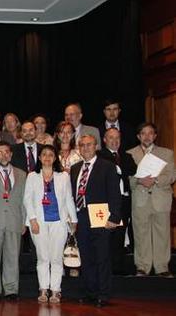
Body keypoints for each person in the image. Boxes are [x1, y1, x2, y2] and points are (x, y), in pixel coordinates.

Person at [71, 135, 122, 307]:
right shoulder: (75, 168)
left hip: (101, 217)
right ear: (79, 147)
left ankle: (103, 294)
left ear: (96, 146)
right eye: (82, 145)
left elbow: (115, 193)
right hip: (81, 217)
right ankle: (90, 292)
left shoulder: (107, 167)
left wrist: (114, 217)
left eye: (89, 145)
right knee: (85, 257)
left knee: (102, 257)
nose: (86, 148)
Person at [24, 145, 77, 303]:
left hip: (59, 222)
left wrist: (73, 220)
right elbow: (27, 199)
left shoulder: (63, 177)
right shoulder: (32, 176)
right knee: (42, 258)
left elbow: (69, 199)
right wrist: (32, 220)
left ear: (55, 158)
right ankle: (43, 289)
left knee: (55, 258)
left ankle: (55, 290)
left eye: (50, 155)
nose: (47, 157)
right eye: (44, 155)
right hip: (38, 222)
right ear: (39, 158)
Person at [127, 123, 175, 278]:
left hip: (160, 198)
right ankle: (142, 266)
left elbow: (171, 175)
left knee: (162, 234)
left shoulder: (167, 153)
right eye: (143, 133)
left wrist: (155, 180)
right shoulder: (130, 153)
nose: (147, 136)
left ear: (155, 135)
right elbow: (126, 178)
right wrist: (139, 181)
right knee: (141, 234)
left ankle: (162, 267)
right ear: (138, 136)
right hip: (140, 199)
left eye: (150, 133)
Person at [0, 142, 27, 301]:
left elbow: (25, 199)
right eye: (0, 153)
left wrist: (24, 221)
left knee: (12, 257)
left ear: (11, 154)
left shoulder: (22, 174)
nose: (3, 155)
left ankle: (11, 290)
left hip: (14, 220)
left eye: (6, 152)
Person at [98, 128, 137, 274]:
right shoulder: (100, 156)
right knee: (106, 235)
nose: (114, 141)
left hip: (124, 201)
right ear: (104, 140)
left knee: (120, 234)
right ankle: (105, 268)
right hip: (107, 201)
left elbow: (132, 170)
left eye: (117, 138)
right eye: (111, 138)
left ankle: (117, 267)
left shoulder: (127, 156)